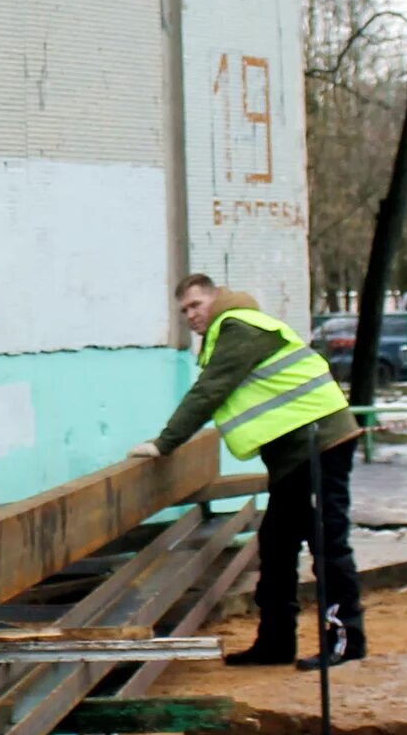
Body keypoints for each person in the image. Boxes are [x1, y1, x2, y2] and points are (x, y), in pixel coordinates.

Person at [130, 273, 363, 668]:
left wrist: (164, 442)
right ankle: (275, 643)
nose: (191, 316)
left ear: (216, 300)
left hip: (320, 445)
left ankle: (346, 642)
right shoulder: (229, 332)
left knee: (328, 544)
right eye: (184, 310)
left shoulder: (238, 327)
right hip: (293, 455)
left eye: (196, 305)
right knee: (275, 546)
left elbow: (210, 391)